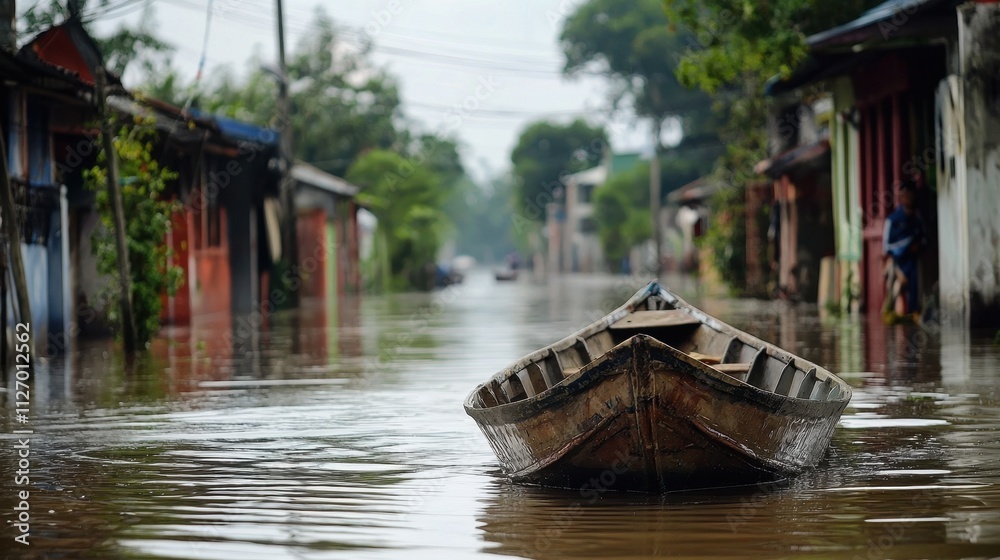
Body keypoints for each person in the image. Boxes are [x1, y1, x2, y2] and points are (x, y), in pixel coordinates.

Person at [882, 178, 927, 320]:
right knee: (894, 290)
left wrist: (917, 246)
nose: (908, 198)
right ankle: (889, 311)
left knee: (917, 290)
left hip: (914, 261)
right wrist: (905, 248)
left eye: (911, 195)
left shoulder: (918, 217)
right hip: (897, 263)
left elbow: (925, 238)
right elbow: (887, 247)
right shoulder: (892, 220)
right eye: (905, 195)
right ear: (900, 197)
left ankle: (915, 314)